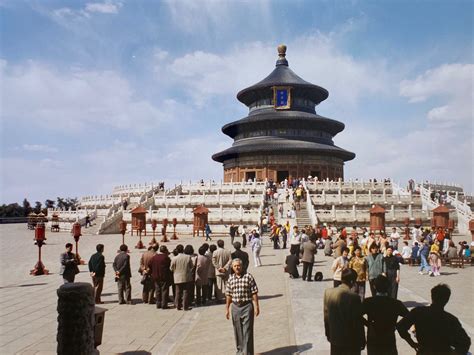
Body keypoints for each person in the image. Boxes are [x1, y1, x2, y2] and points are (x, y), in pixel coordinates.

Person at [397, 284, 471, 354]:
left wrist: (412, 343)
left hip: (424, 351)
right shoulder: (451, 320)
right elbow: (465, 342)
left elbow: (400, 326)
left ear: (432, 296)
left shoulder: (418, 312)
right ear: (447, 300)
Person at [362, 275, 409, 355]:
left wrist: (368, 324)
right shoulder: (396, 303)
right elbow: (409, 316)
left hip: (373, 337)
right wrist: (397, 325)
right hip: (389, 337)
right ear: (388, 287)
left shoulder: (368, 302)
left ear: (374, 287)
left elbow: (357, 315)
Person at [324, 268, 366, 355]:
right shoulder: (354, 297)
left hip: (335, 337)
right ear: (351, 281)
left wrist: (328, 333)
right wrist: (362, 339)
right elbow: (357, 321)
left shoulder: (328, 292)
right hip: (350, 340)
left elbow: (326, 316)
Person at [225, 258, 260, 355]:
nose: (237, 268)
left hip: (247, 306)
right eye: (235, 266)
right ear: (232, 267)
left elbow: (254, 292)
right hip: (235, 307)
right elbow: (228, 295)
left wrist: (257, 306)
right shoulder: (230, 278)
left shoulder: (248, 277)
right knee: (237, 330)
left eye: (238, 265)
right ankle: (240, 352)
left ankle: (248, 352)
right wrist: (227, 309)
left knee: (247, 331)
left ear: (242, 266)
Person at [170, 244, 193, 310]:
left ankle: (178, 305)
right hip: (186, 277)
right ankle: (185, 306)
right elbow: (191, 266)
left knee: (178, 292)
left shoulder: (174, 258)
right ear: (183, 250)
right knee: (185, 292)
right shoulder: (188, 257)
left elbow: (171, 268)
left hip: (177, 277)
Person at [148, 245, 173, 309]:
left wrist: (153, 271)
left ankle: (158, 304)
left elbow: (149, 264)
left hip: (155, 276)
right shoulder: (166, 258)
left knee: (157, 290)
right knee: (164, 290)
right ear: (165, 250)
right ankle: (164, 304)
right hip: (164, 276)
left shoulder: (154, 257)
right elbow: (170, 266)